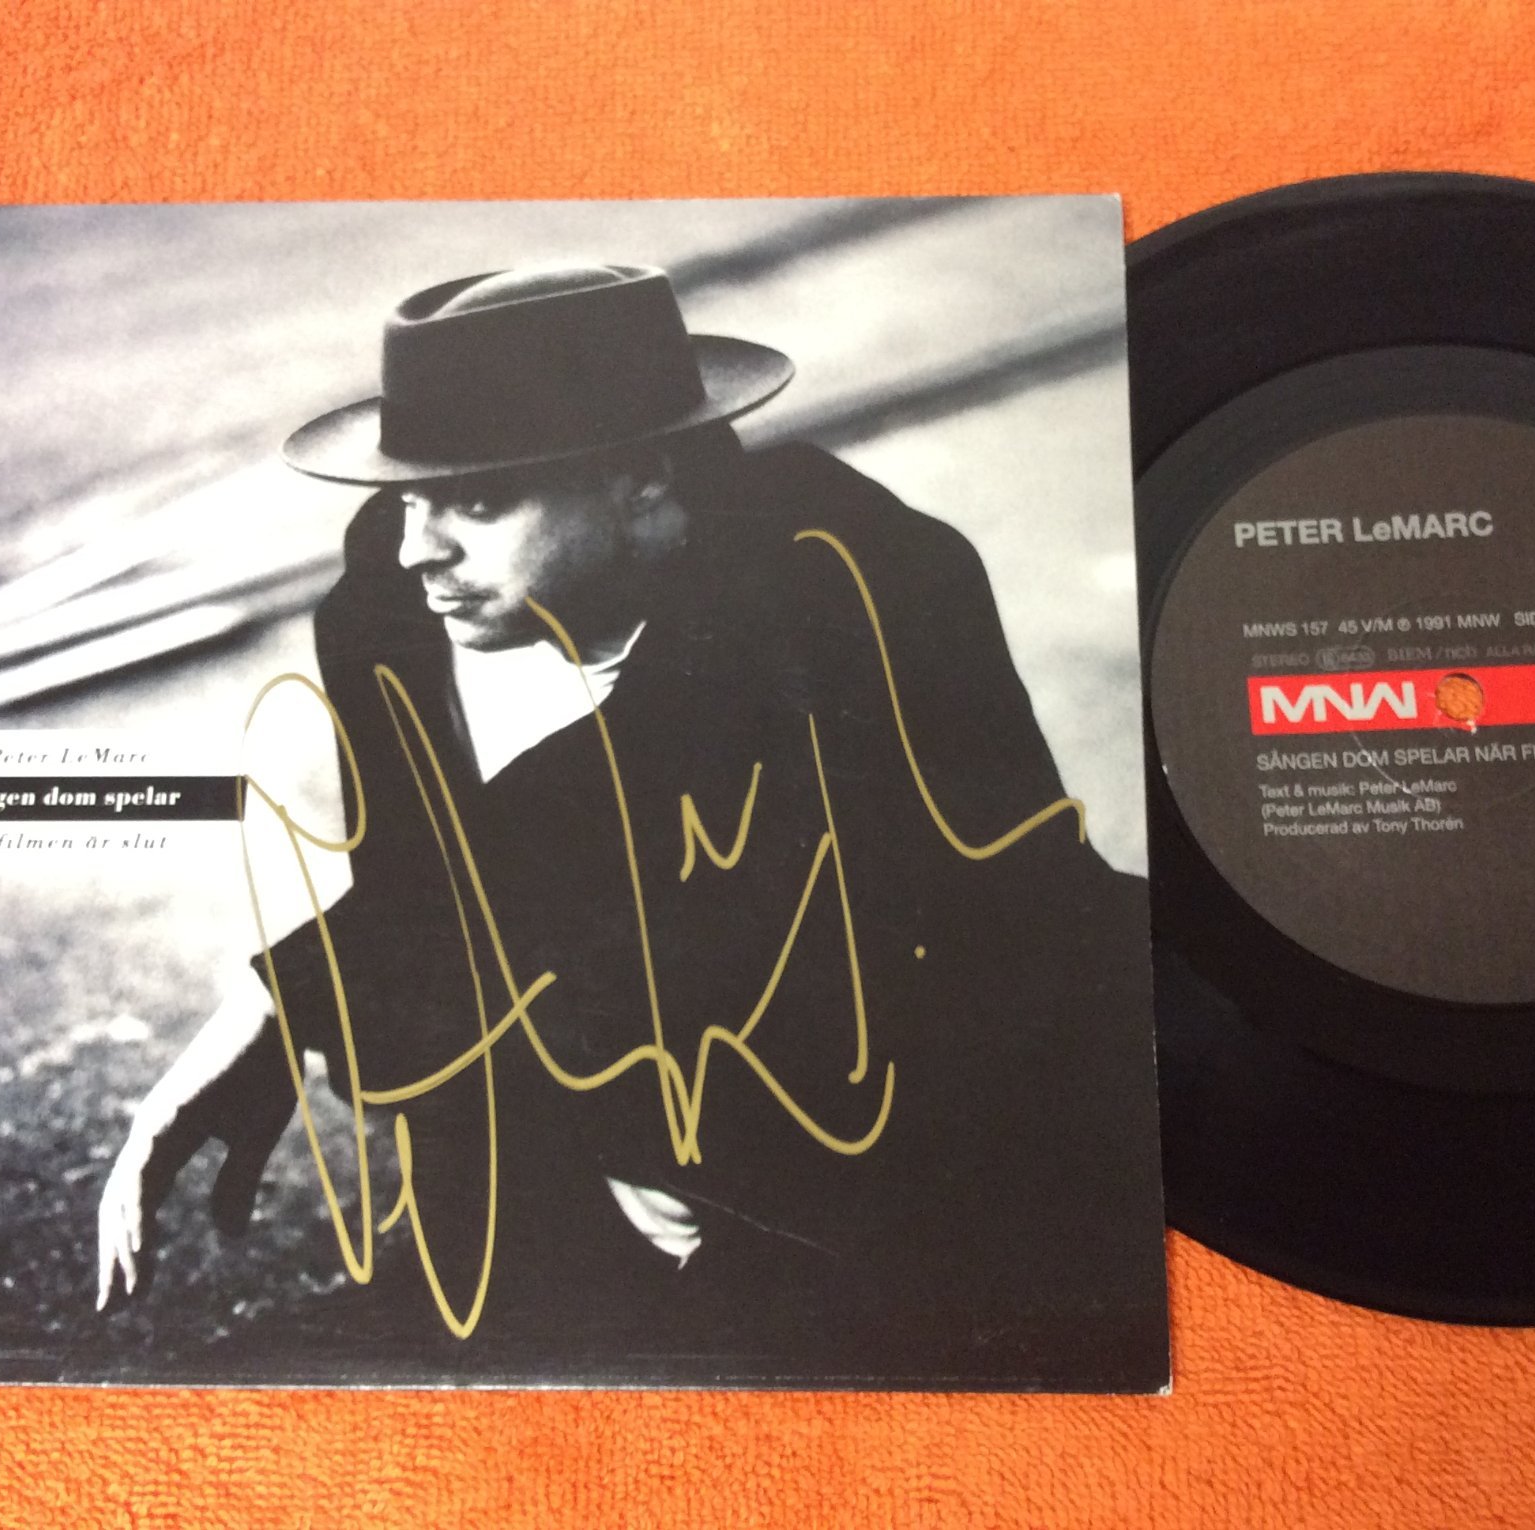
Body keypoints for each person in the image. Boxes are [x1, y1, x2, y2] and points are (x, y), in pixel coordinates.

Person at [95, 263, 1164, 1384]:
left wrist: (280, 1001)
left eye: (478, 501)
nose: (421, 548)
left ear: (643, 480)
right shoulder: (389, 607)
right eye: (409, 497)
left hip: (939, 1143)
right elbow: (430, 904)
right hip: (615, 1138)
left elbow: (610, 819)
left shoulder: (854, 575)